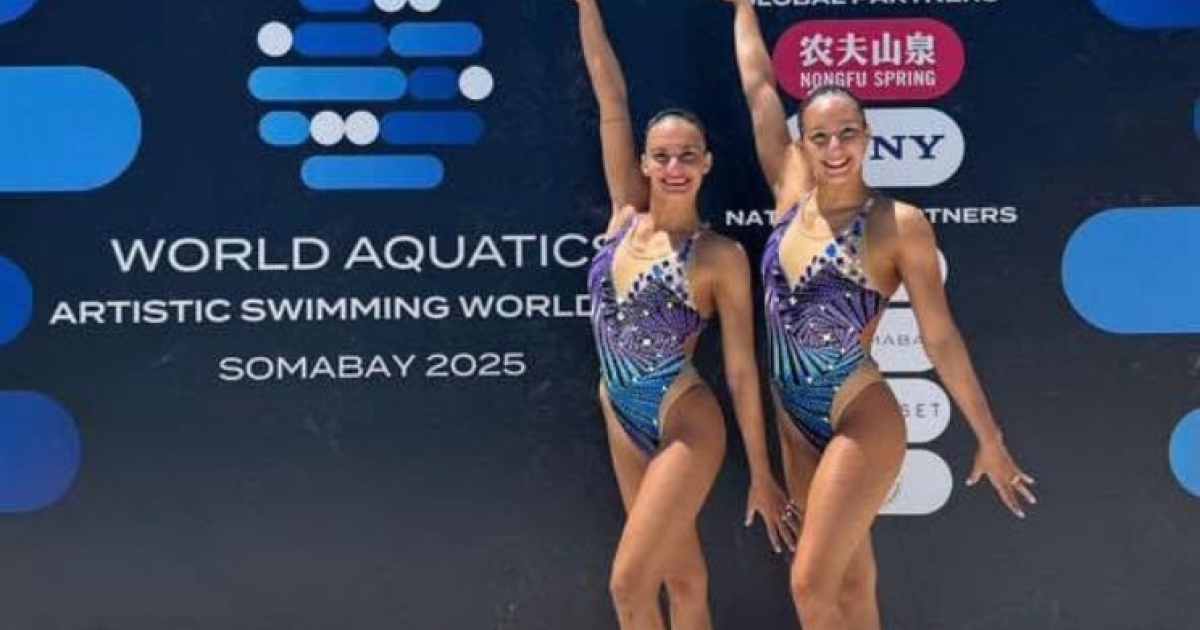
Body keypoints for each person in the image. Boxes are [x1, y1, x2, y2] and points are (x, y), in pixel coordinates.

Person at [718, 2, 1038, 629]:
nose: (835, 148)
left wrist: (990, 437)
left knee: (810, 585)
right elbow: (759, 87)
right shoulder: (789, 193)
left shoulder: (899, 225)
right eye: (819, 137)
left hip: (859, 414)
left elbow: (940, 338)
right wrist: (745, 10)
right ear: (801, 144)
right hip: (793, 420)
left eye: (847, 134)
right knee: (851, 586)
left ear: (867, 137)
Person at [572, 1, 794, 628]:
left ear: (706, 163)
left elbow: (743, 371)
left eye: (687, 155)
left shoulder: (719, 256)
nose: (674, 167)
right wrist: (587, 8)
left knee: (629, 585)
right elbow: (610, 96)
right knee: (682, 579)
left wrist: (761, 472)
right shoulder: (625, 215)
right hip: (620, 413)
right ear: (644, 163)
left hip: (684, 418)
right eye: (662, 156)